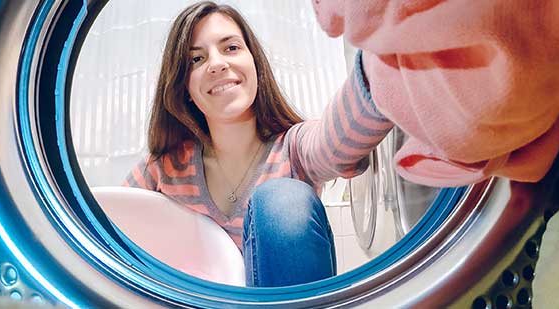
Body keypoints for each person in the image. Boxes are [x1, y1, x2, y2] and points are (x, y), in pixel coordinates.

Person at [121, 2, 393, 287]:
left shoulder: (293, 149)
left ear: (255, 64)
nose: (216, 64)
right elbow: (106, 229)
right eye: (196, 60)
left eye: (231, 48)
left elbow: (337, 141)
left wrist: (389, 57)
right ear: (185, 87)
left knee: (283, 199)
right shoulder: (163, 169)